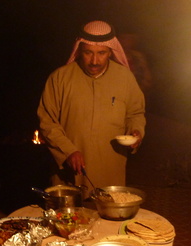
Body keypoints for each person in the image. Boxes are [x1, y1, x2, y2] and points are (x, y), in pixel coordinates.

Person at [37, 20, 146, 190]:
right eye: (88, 53)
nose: (94, 61)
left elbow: (135, 113)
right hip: (69, 171)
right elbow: (47, 121)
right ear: (79, 50)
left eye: (101, 53)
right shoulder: (59, 78)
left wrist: (136, 131)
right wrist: (68, 151)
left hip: (110, 169)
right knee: (69, 216)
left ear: (111, 51)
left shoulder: (125, 78)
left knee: (107, 214)